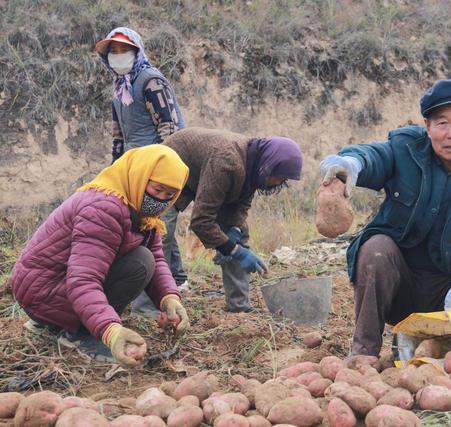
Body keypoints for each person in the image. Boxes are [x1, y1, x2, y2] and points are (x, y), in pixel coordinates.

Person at [320, 79, 451, 356]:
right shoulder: (406, 148)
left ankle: (449, 349)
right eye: (442, 123)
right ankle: (364, 353)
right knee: (376, 248)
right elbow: (376, 156)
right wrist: (352, 163)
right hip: (400, 286)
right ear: (427, 127)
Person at [10, 145, 190, 368]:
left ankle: (51, 322)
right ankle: (79, 332)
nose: (161, 199)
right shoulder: (105, 208)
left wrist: (169, 298)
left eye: (170, 195)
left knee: (146, 258)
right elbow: (84, 279)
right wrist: (109, 331)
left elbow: (157, 256)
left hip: (53, 286)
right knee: (140, 263)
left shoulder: (138, 208)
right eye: (157, 189)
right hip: (42, 292)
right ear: (139, 176)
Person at [164, 128, 303, 312]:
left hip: (202, 172)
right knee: (160, 232)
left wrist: (233, 232)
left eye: (283, 179)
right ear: (269, 164)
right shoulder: (227, 162)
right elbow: (201, 220)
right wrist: (232, 249)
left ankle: (239, 306)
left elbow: (243, 203)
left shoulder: (254, 161)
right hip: (171, 164)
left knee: (240, 232)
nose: (278, 183)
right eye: (278, 176)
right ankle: (147, 306)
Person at [95, 26, 188, 299]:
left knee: (157, 225)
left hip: (156, 169)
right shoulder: (120, 87)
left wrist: (163, 170)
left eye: (125, 50)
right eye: (114, 51)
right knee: (152, 225)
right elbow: (118, 135)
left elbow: (170, 127)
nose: (119, 56)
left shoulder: (150, 81)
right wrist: (115, 172)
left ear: (137, 52)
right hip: (133, 170)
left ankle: (158, 292)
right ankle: (177, 279)